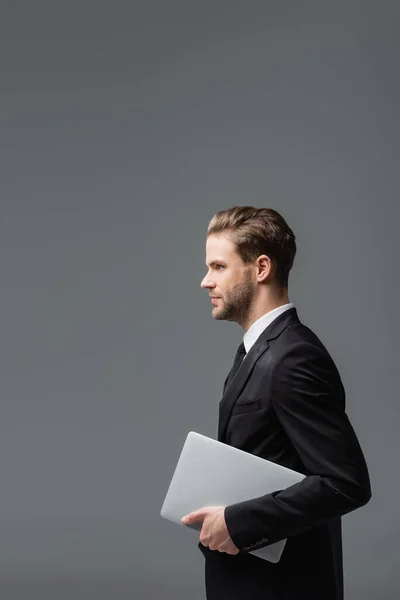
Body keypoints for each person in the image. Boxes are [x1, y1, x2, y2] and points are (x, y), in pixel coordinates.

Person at [181, 206, 371, 600]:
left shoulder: (293, 358)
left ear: (261, 268)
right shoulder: (256, 351)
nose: (205, 281)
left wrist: (238, 522)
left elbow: (345, 483)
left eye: (218, 267)